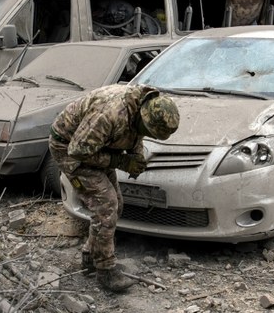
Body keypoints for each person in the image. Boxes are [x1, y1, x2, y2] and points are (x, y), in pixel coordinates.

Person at [48, 84, 180, 292]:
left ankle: (91, 256)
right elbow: (77, 151)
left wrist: (136, 156)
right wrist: (122, 162)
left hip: (100, 147)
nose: (148, 135)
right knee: (106, 205)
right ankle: (105, 270)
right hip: (69, 150)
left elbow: (135, 134)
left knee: (115, 204)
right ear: (142, 117)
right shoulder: (109, 114)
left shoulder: (140, 107)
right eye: (150, 131)